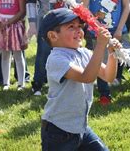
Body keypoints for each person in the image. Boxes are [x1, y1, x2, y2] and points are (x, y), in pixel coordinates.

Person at [39, 8, 119, 150]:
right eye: (71, 27)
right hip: (58, 131)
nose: (79, 31)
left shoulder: (84, 53)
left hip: (80, 127)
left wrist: (112, 54)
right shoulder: (56, 59)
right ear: (53, 35)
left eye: (80, 26)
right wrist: (100, 44)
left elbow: (108, 76)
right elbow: (87, 77)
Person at [26, 0, 80, 96]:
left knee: (67, 50)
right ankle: (37, 84)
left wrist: (77, 14)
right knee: (44, 51)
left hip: (66, 18)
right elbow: (30, 0)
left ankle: (65, 80)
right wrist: (32, 24)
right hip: (45, 19)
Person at [81, 0, 130, 106]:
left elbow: (127, 5)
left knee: (127, 57)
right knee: (101, 63)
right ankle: (104, 94)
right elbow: (85, 9)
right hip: (98, 32)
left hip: (118, 29)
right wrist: (97, 27)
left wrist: (120, 28)